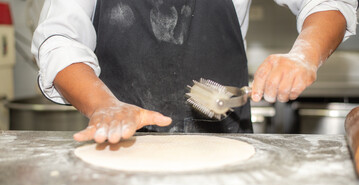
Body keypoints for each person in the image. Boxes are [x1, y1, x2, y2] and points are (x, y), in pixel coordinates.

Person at [31, 0, 357, 143]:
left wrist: (305, 54)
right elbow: (60, 39)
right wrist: (104, 106)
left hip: (226, 144)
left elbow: (328, 1)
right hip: (118, 141)